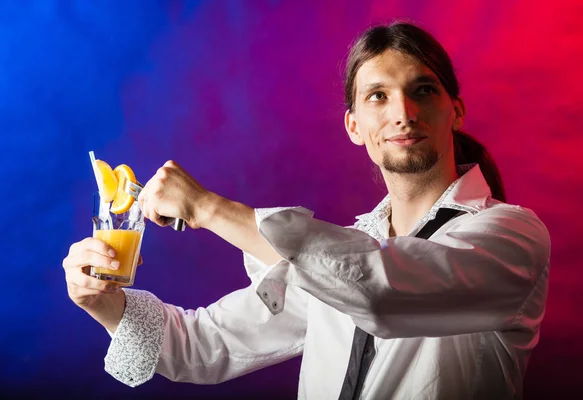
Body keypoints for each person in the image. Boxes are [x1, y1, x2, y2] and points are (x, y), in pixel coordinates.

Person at [62, 22, 550, 399]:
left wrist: (208, 208)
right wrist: (103, 302)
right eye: (378, 96)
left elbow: (381, 290)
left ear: (456, 110)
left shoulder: (509, 236)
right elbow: (205, 344)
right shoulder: (336, 256)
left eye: (423, 90)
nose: (403, 111)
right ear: (354, 126)